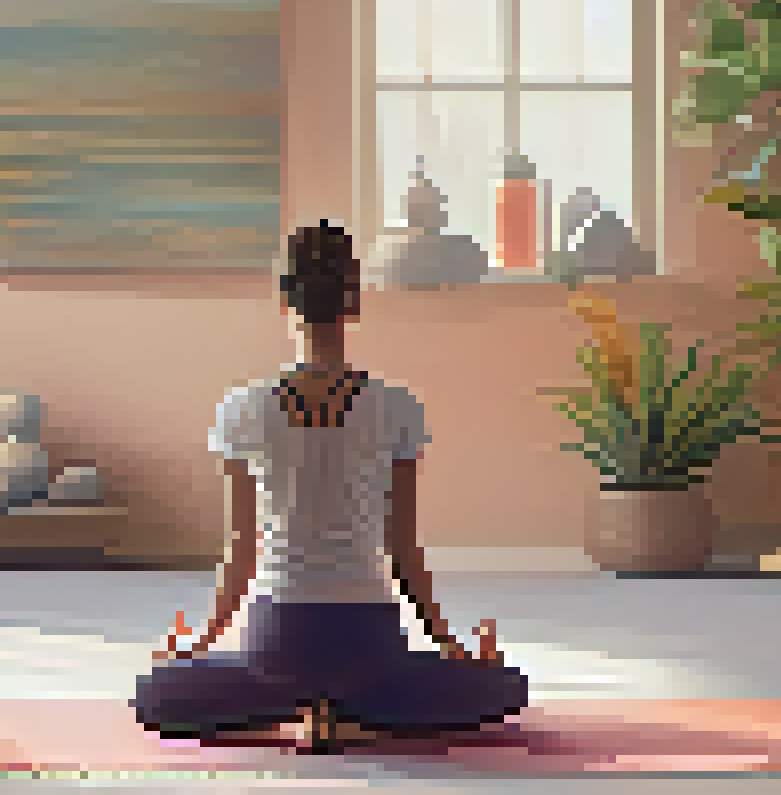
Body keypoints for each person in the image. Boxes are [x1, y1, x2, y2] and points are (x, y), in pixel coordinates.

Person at [131, 220, 529, 751]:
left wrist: (200, 642)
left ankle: (297, 705)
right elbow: (403, 552)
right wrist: (451, 645)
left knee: (152, 695)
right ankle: (351, 713)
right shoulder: (397, 406)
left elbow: (242, 551)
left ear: (284, 302)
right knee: (505, 687)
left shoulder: (240, 408)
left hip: (275, 640)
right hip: (370, 643)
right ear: (354, 304)